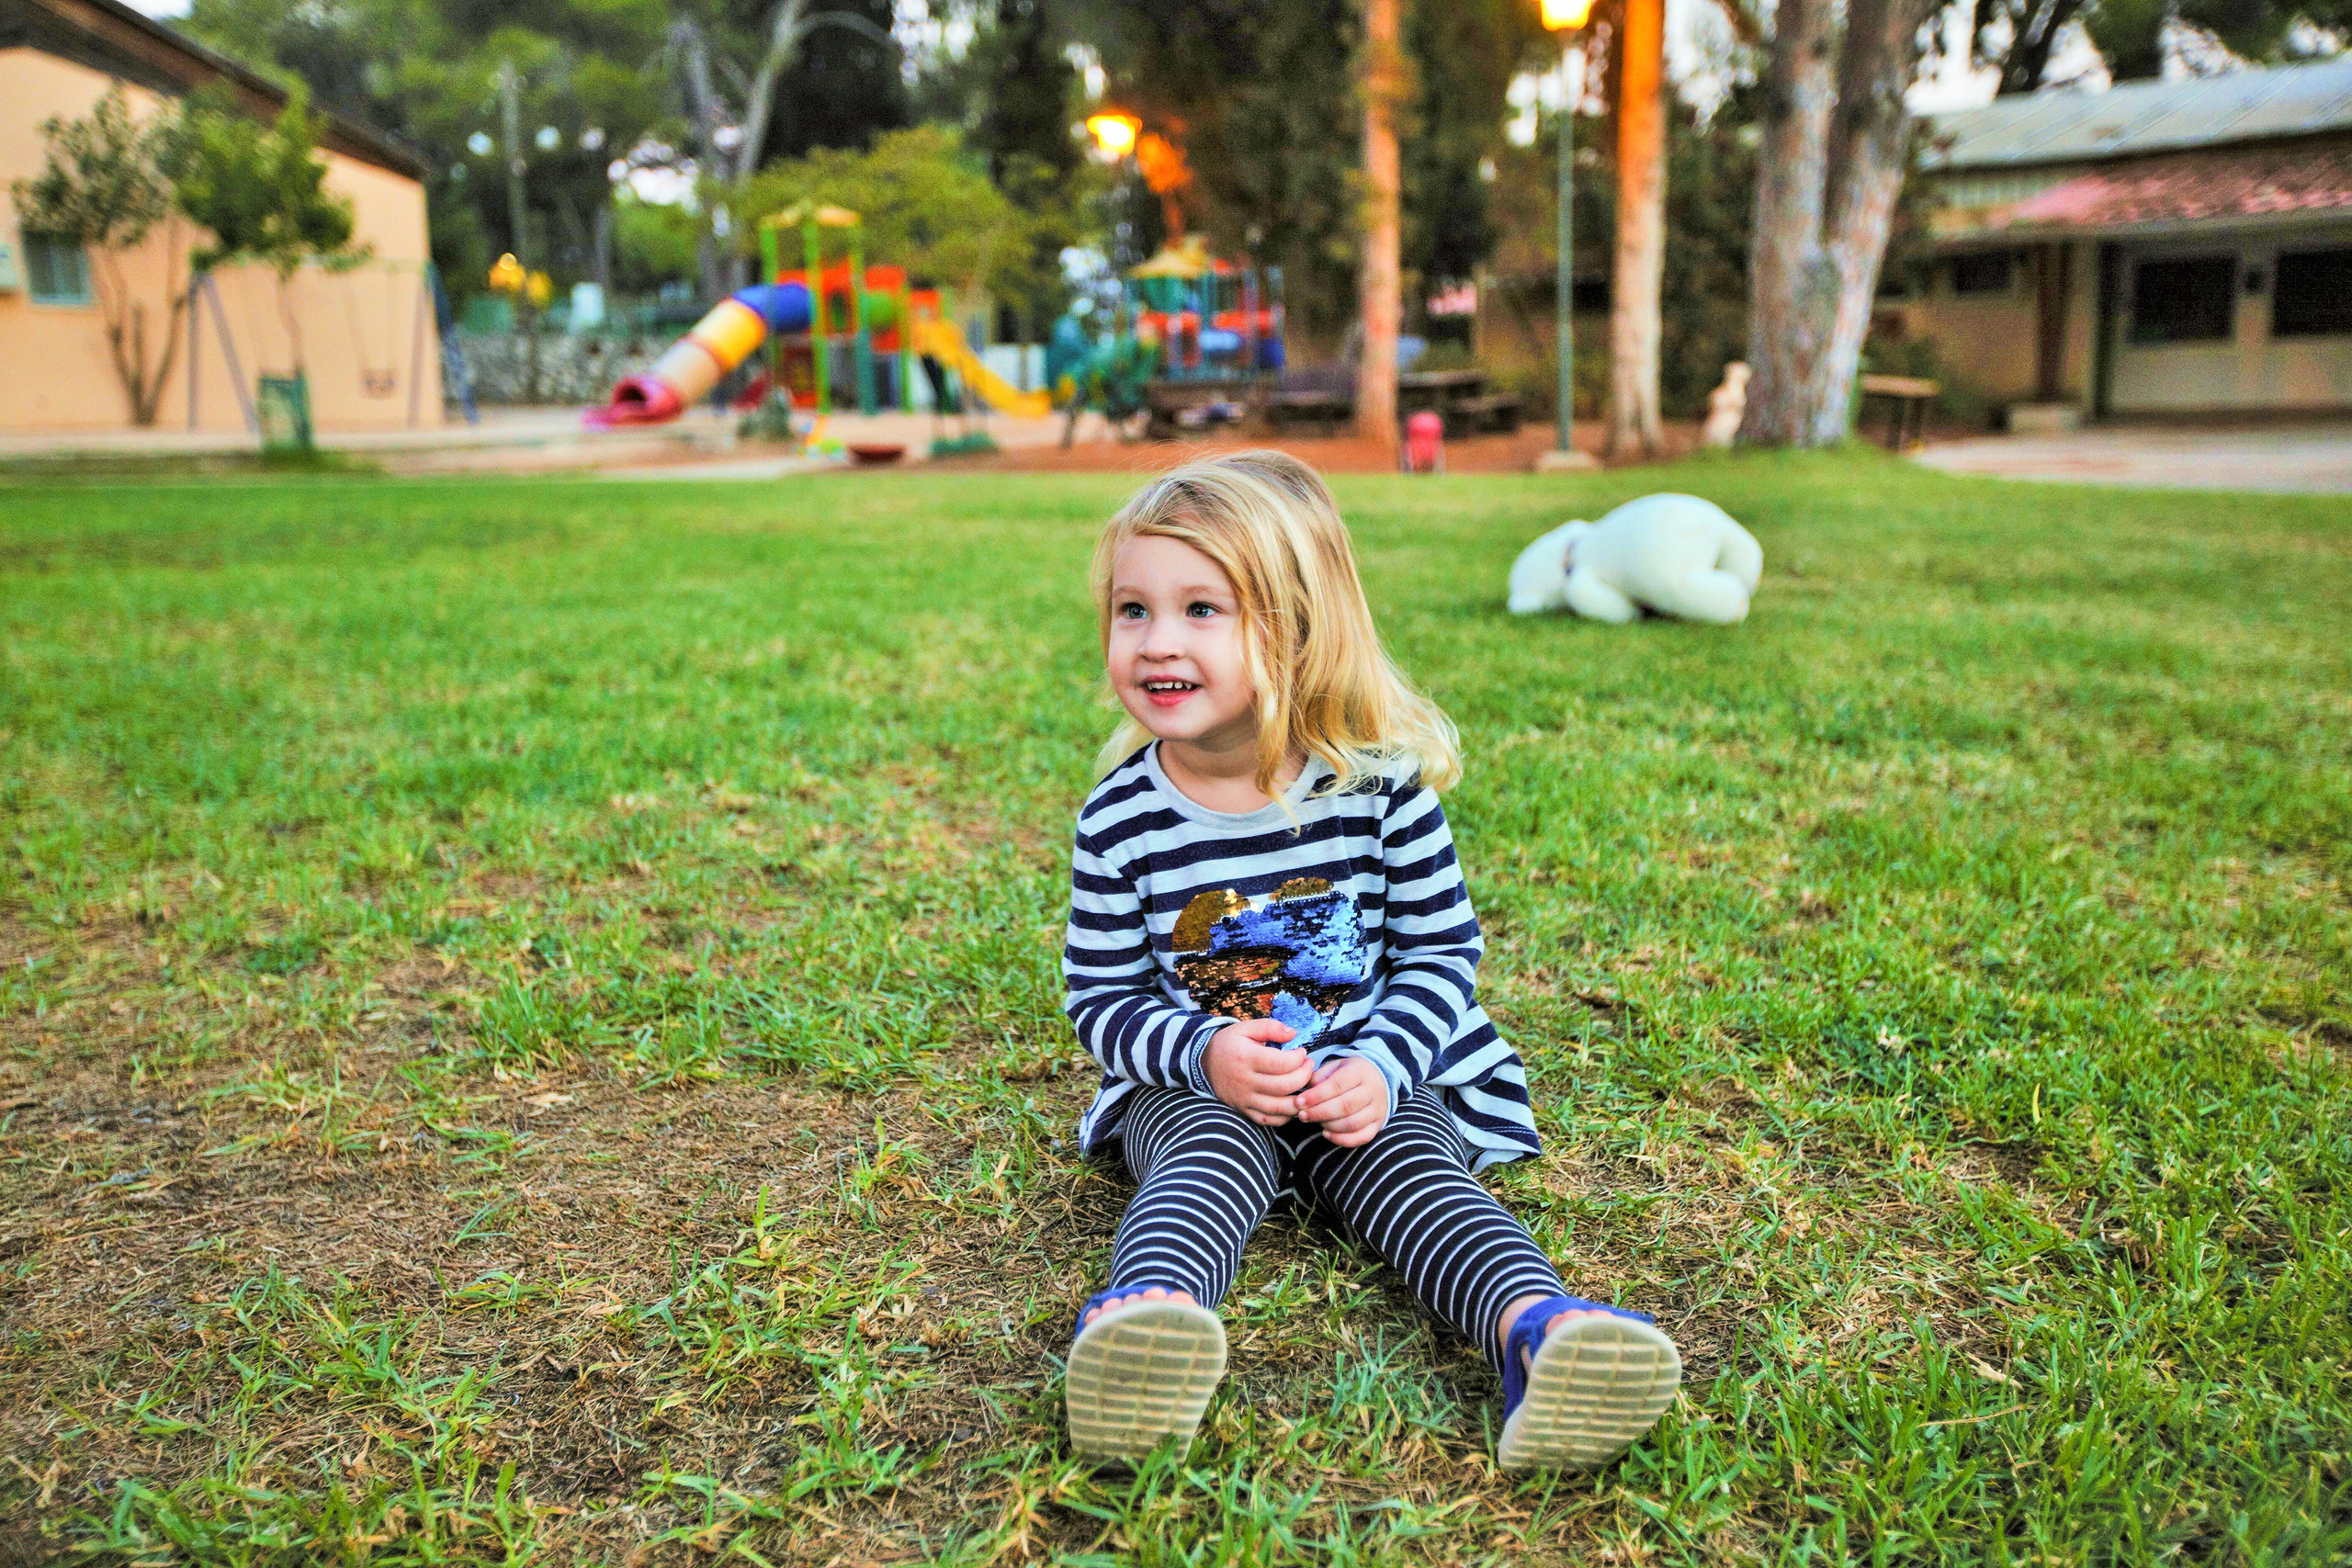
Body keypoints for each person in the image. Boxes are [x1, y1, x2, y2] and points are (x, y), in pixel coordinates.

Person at [1058, 450, 1682, 1473]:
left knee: (1414, 1173)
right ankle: (1143, 1327)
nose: (1156, 641)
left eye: (1202, 610)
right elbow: (1101, 998)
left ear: (1297, 626)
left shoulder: (1381, 793)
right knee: (1198, 1164)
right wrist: (1205, 1058)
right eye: (1133, 609)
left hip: (1370, 1075)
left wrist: (1382, 1068)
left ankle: (1538, 1331)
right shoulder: (1120, 817)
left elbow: (1441, 958)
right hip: (1206, 1085)